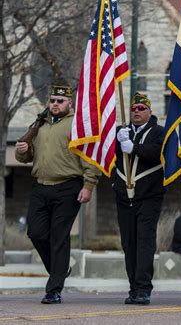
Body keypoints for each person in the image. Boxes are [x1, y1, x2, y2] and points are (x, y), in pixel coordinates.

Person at [15, 85, 101, 304]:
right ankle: (61, 269)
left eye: (60, 101)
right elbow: (25, 158)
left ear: (69, 103)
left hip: (68, 187)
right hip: (40, 186)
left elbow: (90, 159)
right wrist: (21, 151)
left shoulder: (77, 126)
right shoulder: (39, 125)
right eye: (52, 100)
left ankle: (54, 289)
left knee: (59, 237)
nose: (55, 104)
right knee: (35, 233)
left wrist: (88, 185)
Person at [114, 92, 165, 305]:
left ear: (149, 111)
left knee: (144, 242)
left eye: (141, 109)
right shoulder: (121, 132)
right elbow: (107, 156)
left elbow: (158, 152)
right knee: (129, 243)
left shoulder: (159, 132)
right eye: (133, 108)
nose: (136, 111)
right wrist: (118, 141)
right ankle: (133, 287)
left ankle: (144, 288)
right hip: (125, 196)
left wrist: (134, 147)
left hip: (149, 196)